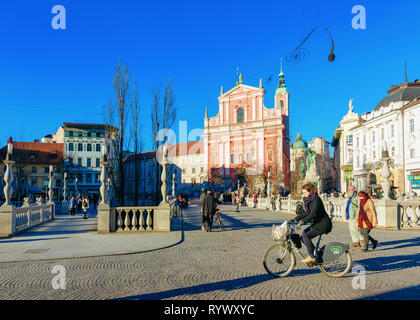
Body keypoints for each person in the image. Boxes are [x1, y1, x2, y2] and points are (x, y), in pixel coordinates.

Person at [288, 183, 332, 264]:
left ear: (310, 191)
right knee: (303, 237)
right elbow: (306, 213)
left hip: (323, 224)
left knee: (305, 235)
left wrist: (302, 222)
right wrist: (294, 219)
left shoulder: (316, 199)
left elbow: (312, 214)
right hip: (318, 223)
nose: (303, 194)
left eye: (305, 192)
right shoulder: (309, 200)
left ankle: (311, 256)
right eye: (303, 193)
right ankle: (317, 255)